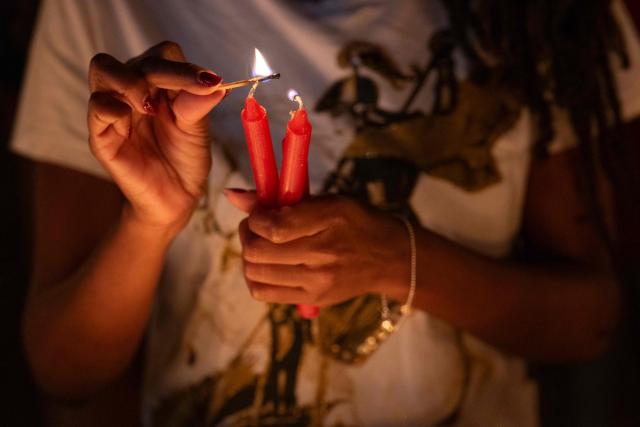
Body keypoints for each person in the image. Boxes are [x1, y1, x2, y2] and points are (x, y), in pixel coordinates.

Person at [11, 0, 640, 425]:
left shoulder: (542, 17)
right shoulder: (100, 10)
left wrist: (397, 261)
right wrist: (149, 224)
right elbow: (64, 371)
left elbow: (587, 320)